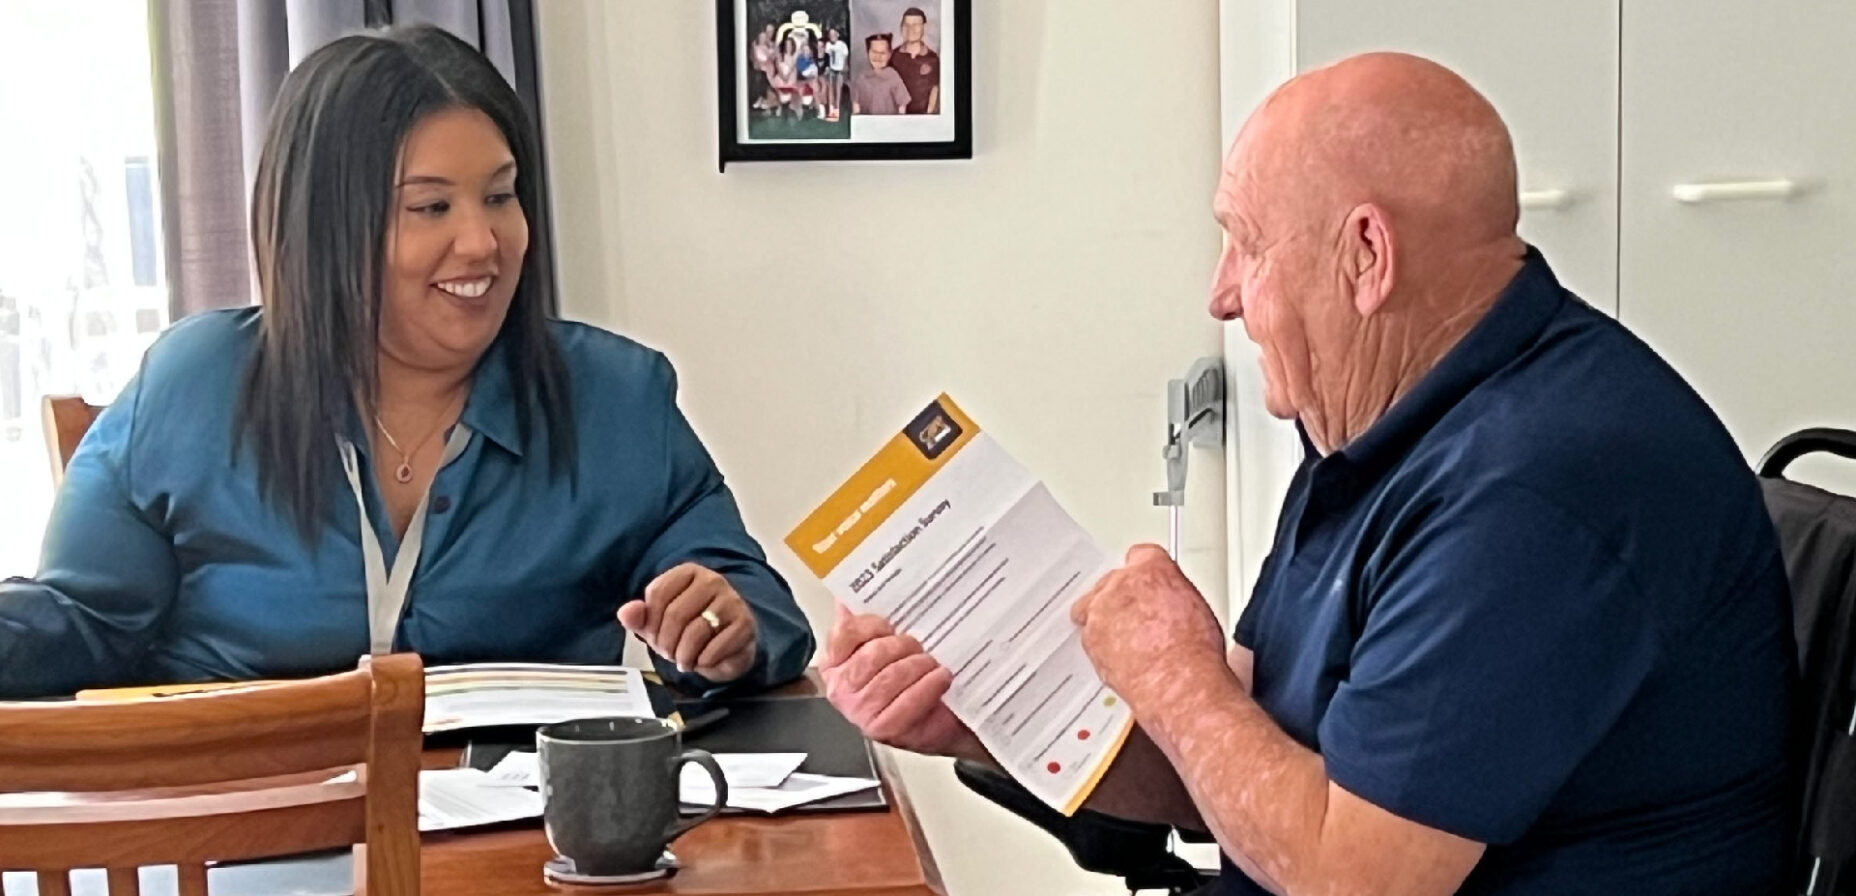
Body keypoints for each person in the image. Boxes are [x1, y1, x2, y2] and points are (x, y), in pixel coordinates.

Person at [822, 52, 1795, 896]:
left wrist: (1172, 672)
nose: (1220, 292)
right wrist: (982, 716)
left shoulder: (1536, 491)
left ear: (1365, 256)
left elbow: (1347, 876)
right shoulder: (1379, 427)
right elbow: (1233, 781)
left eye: (1244, 241)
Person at [0, 25, 815, 700]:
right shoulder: (193, 386)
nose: (484, 242)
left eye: (500, 196)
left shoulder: (615, 398)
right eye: (431, 207)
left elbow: (757, 607)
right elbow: (80, 622)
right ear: (323, 228)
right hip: (246, 839)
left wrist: (724, 625)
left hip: (517, 849)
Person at [891, 6, 939, 115]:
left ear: (924, 27)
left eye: (915, 25)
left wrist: (929, 114)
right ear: (901, 28)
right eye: (906, 25)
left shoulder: (933, 59)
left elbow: (935, 90)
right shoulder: (892, 57)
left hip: (924, 119)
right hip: (896, 118)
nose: (910, 29)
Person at [851, 33, 911, 116]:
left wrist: (899, 122)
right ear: (868, 52)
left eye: (882, 53)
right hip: (867, 123)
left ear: (889, 54)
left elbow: (902, 104)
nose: (878, 57)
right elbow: (856, 104)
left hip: (888, 123)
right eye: (874, 52)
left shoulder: (893, 77)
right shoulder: (862, 77)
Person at [822, 27, 850, 121]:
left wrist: (845, 67)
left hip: (839, 70)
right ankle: (831, 111)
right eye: (830, 34)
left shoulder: (842, 45)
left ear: (838, 35)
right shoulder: (828, 45)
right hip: (831, 70)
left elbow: (845, 57)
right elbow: (827, 57)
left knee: (837, 91)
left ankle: (836, 113)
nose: (832, 36)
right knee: (830, 90)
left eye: (834, 34)